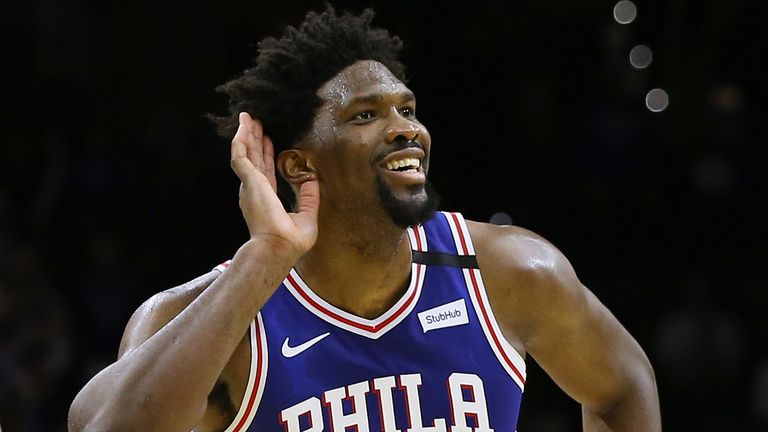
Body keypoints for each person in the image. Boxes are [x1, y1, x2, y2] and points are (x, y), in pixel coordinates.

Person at [68, 6, 661, 432]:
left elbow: (623, 386)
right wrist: (268, 255)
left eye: (407, 108)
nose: (405, 127)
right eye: (365, 115)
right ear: (301, 165)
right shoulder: (212, 320)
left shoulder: (506, 273)